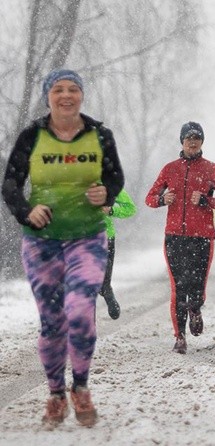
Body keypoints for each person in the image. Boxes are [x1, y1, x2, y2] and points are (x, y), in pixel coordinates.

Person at [1, 68, 124, 428]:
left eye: (73, 89)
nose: (66, 95)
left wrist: (108, 193)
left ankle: (81, 387)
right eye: (58, 89)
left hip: (87, 237)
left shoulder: (100, 135)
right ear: (48, 96)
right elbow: (10, 183)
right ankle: (56, 392)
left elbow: (115, 177)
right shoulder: (32, 136)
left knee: (81, 311)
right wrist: (26, 211)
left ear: (82, 95)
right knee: (52, 323)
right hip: (42, 244)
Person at [145, 121, 215, 354]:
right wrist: (162, 200)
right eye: (188, 138)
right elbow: (150, 197)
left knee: (197, 285)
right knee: (178, 286)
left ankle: (195, 308)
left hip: (202, 236)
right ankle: (180, 337)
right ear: (182, 142)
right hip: (174, 236)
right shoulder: (169, 168)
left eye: (196, 138)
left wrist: (206, 200)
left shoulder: (211, 169)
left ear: (202, 142)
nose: (192, 142)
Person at [99, 188, 137, 319]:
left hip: (104, 238)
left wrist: (111, 210)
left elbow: (130, 208)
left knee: (103, 282)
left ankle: (106, 290)